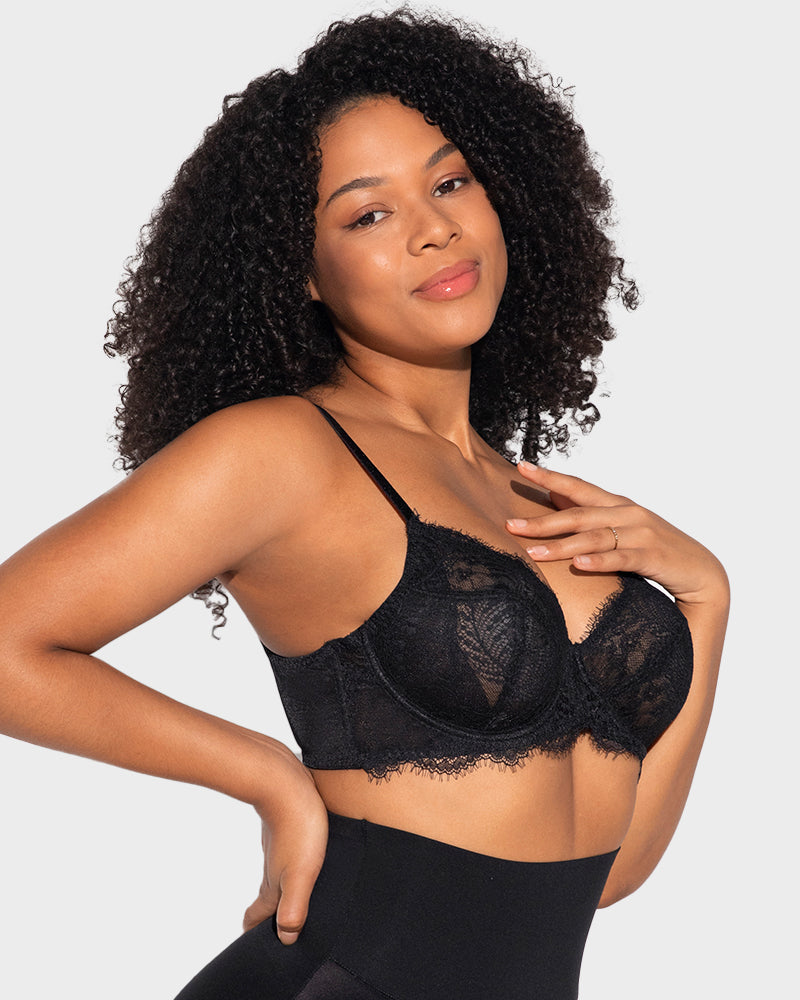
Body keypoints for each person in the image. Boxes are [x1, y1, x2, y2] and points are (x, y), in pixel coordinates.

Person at [0, 8, 728, 999]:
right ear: (301, 271)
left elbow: (608, 872)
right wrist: (268, 776)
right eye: (367, 214)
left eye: (449, 182)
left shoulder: (525, 490)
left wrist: (707, 601)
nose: (434, 228)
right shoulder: (284, 450)